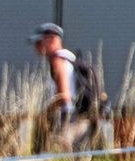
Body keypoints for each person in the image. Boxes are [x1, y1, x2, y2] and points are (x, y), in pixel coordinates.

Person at [28, 23, 93, 152]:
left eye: (39, 42)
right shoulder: (70, 58)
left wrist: (45, 113)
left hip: (68, 122)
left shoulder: (58, 61)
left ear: (52, 40)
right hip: (82, 121)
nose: (36, 47)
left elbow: (64, 96)